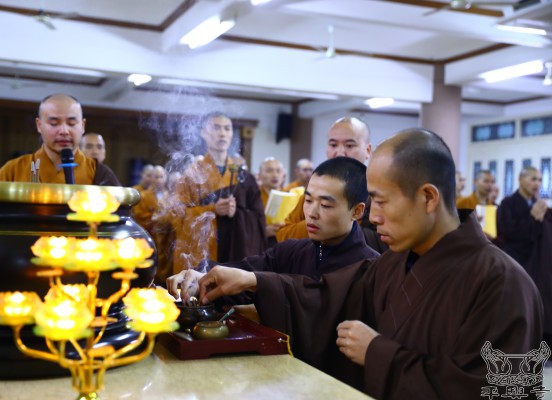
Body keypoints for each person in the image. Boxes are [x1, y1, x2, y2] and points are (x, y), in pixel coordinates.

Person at [193, 128, 543, 400]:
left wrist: (379, 354)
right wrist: (251, 281)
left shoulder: (502, 281)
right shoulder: (393, 264)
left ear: (428, 197)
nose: (372, 217)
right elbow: (323, 296)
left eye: (381, 201)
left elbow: (501, 390)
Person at [168, 157, 379, 297]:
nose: (312, 213)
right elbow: (244, 270)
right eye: (308, 201)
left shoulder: (371, 269)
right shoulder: (293, 251)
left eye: (325, 205)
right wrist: (201, 277)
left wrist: (256, 281)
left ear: (357, 211)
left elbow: (318, 303)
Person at [171, 112, 266, 274]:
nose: (222, 133)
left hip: (236, 250)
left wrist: (238, 213)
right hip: (205, 252)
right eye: (216, 127)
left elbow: (258, 219)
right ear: (203, 133)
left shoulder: (243, 176)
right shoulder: (192, 175)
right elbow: (177, 216)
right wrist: (212, 209)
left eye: (227, 129)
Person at [276, 116, 387, 254]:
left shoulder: (380, 192)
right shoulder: (314, 190)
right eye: (333, 145)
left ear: (368, 150)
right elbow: (283, 234)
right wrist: (318, 223)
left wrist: (340, 226)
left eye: (350, 145)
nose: (340, 152)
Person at [0, 94, 120, 186]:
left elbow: (117, 219)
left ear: (82, 126)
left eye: (71, 123)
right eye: (54, 123)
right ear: (39, 125)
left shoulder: (100, 174)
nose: (64, 131)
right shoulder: (13, 170)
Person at [497, 167, 552, 344]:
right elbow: (508, 232)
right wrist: (532, 217)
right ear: (521, 179)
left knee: (542, 303)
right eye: (532, 179)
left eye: (539, 180)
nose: (537, 183)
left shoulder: (540, 206)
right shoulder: (508, 204)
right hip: (518, 262)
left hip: (539, 263)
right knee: (519, 304)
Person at [257, 157, 287, 246]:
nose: (275, 175)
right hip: (260, 244)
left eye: (278, 171)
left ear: (283, 175)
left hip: (285, 243)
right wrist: (263, 231)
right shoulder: (254, 196)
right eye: (269, 171)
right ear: (259, 175)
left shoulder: (290, 195)